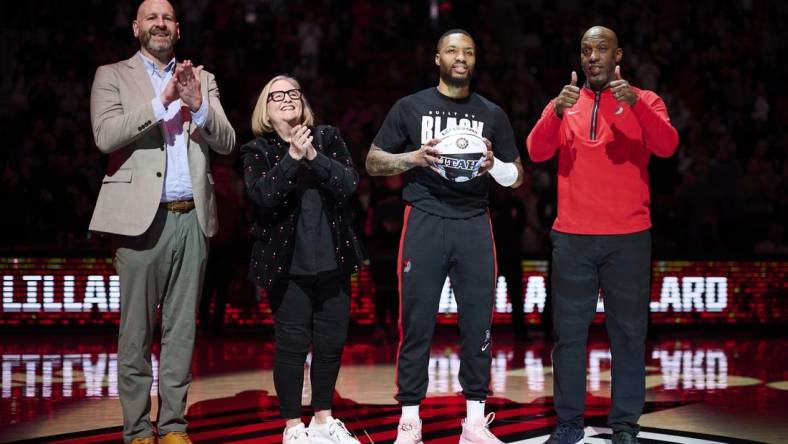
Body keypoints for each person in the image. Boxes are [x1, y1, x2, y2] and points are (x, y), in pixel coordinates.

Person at [366, 29, 524, 444]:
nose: (461, 57)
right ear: (437, 58)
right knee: (416, 323)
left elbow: (517, 176)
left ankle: (473, 421)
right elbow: (373, 160)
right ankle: (410, 421)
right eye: (452, 50)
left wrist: (493, 165)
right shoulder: (411, 106)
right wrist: (413, 157)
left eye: (468, 51)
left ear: (475, 61)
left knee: (478, 324)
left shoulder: (492, 113)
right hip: (425, 220)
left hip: (474, 222)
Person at [88, 0, 236, 442]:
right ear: (136, 27)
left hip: (192, 219)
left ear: (177, 29)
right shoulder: (112, 75)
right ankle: (136, 431)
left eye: (167, 18)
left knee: (181, 332)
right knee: (135, 333)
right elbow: (106, 136)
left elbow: (226, 141)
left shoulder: (202, 78)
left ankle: (172, 426)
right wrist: (162, 101)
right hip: (139, 222)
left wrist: (200, 107)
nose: (159, 24)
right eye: (151, 17)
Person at [526, 26, 679, 444]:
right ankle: (569, 422)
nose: (592, 56)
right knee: (569, 337)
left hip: (628, 236)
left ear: (618, 56)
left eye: (601, 49)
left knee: (628, 336)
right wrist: (555, 111)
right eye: (585, 50)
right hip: (572, 237)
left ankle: (625, 425)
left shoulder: (645, 100)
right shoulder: (566, 103)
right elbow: (536, 151)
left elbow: (667, 146)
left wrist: (638, 108)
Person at [241, 75, 366, 444]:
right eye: (276, 95)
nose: (286, 99)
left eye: (292, 93)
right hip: (287, 264)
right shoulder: (257, 150)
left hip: (333, 259)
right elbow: (263, 195)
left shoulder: (326, 137)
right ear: (265, 108)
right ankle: (293, 427)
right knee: (292, 346)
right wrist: (293, 158)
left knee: (331, 343)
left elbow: (350, 182)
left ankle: (324, 420)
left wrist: (313, 155)